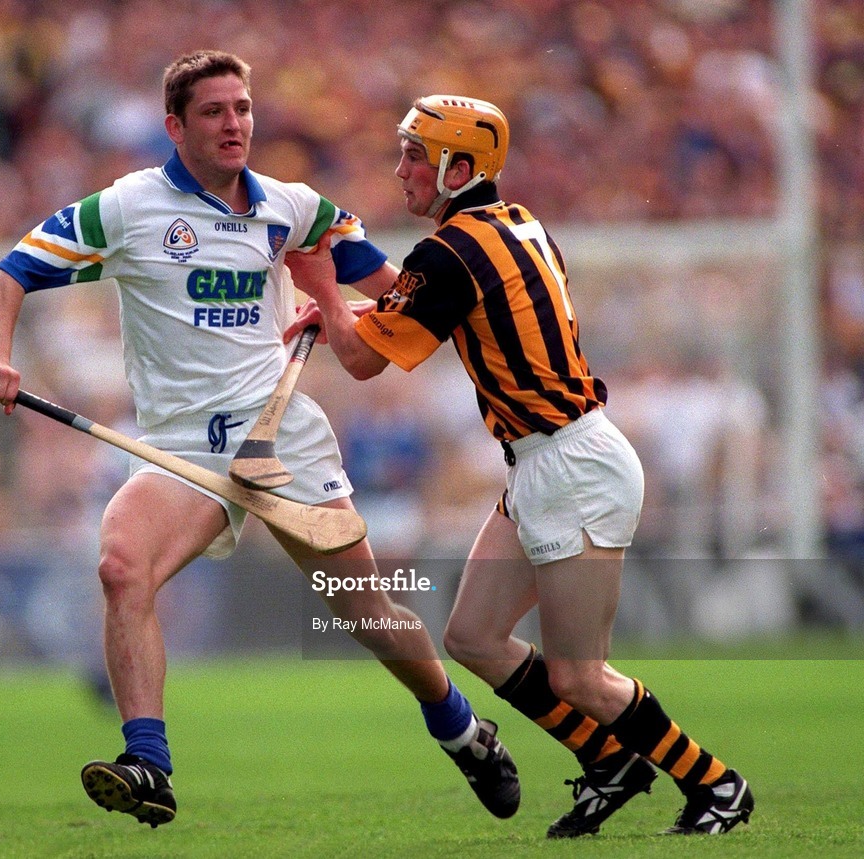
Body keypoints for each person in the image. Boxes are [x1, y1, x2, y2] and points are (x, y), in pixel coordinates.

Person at [0, 53, 519, 828]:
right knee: (121, 564)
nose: (234, 124)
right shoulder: (127, 208)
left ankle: (460, 727)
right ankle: (149, 764)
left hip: (281, 436)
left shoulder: (292, 207)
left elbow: (397, 291)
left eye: (243, 108)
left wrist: (359, 317)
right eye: (214, 112)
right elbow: (13, 269)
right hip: (184, 451)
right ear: (175, 126)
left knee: (361, 609)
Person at [285, 94, 755, 837]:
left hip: (571, 465)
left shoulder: (447, 252)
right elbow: (425, 310)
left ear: (460, 169)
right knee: (472, 636)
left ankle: (716, 783)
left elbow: (365, 362)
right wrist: (352, 311)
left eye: (416, 156)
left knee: (579, 674)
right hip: (546, 462)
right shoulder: (514, 222)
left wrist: (323, 294)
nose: (401, 169)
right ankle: (610, 764)